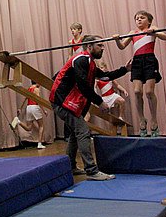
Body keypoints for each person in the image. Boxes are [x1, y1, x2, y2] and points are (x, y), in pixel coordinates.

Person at [50, 35, 131, 180]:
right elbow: (83, 86)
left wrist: (125, 69)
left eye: (103, 45)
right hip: (61, 101)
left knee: (75, 133)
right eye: (99, 45)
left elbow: (105, 76)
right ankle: (92, 171)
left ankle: (71, 166)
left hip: (67, 101)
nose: (102, 48)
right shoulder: (81, 59)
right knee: (83, 131)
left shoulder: (90, 63)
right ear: (89, 46)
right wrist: (100, 102)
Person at [113, 10, 166, 137]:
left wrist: (154, 32)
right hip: (137, 62)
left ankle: (154, 120)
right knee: (137, 91)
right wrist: (116, 40)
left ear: (149, 21)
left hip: (149, 60)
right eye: (137, 18)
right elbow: (122, 46)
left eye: (142, 18)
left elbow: (165, 37)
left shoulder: (152, 28)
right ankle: (142, 119)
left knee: (149, 92)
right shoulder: (133, 32)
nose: (138, 20)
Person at [11, 81, 47, 149]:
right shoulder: (36, 89)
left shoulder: (29, 89)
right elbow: (38, 100)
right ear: (37, 82)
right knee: (41, 126)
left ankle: (18, 121)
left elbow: (25, 99)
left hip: (29, 107)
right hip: (35, 107)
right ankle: (39, 144)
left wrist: (20, 108)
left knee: (29, 128)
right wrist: (43, 110)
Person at [94, 58, 128, 125]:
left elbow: (117, 85)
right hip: (104, 98)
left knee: (122, 101)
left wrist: (124, 90)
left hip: (112, 95)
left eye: (102, 67)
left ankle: (121, 117)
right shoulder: (97, 79)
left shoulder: (109, 77)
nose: (101, 69)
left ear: (105, 68)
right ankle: (110, 125)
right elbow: (94, 88)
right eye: (100, 68)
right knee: (107, 114)